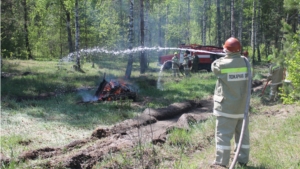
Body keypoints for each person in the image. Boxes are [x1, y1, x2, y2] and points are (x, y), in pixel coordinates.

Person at [210, 37, 250, 168]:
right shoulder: (246, 63)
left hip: (226, 107)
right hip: (241, 108)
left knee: (223, 136)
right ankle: (243, 160)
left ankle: (221, 163)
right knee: (242, 136)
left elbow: (213, 66)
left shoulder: (221, 64)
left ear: (226, 49)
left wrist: (223, 55)